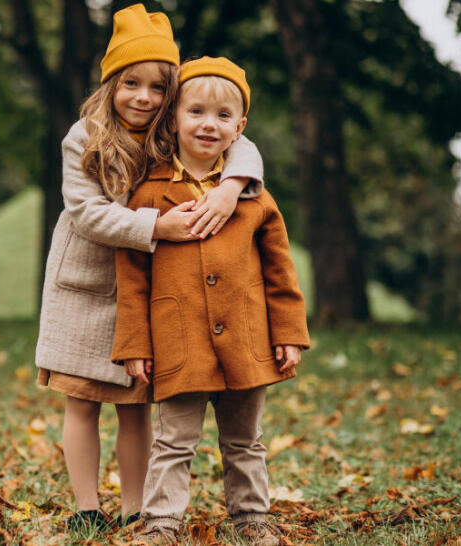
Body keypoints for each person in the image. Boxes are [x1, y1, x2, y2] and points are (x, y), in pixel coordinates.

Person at [35, 5, 266, 532]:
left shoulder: (171, 131)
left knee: (135, 402)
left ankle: (135, 508)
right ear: (111, 84)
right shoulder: (83, 136)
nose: (144, 97)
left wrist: (231, 187)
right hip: (86, 284)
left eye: (159, 88)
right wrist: (157, 227)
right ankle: (86, 507)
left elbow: (241, 141)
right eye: (131, 83)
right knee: (81, 401)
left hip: (149, 286)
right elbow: (87, 213)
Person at [112, 56, 310, 545]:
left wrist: (288, 333)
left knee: (245, 440)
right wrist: (135, 344)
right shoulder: (148, 194)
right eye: (196, 112)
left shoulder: (255, 198)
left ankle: (251, 517)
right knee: (173, 440)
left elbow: (280, 272)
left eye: (223, 116)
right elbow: (132, 279)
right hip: (179, 342)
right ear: (173, 119)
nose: (208, 124)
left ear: (239, 129)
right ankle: (161, 523)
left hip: (247, 339)